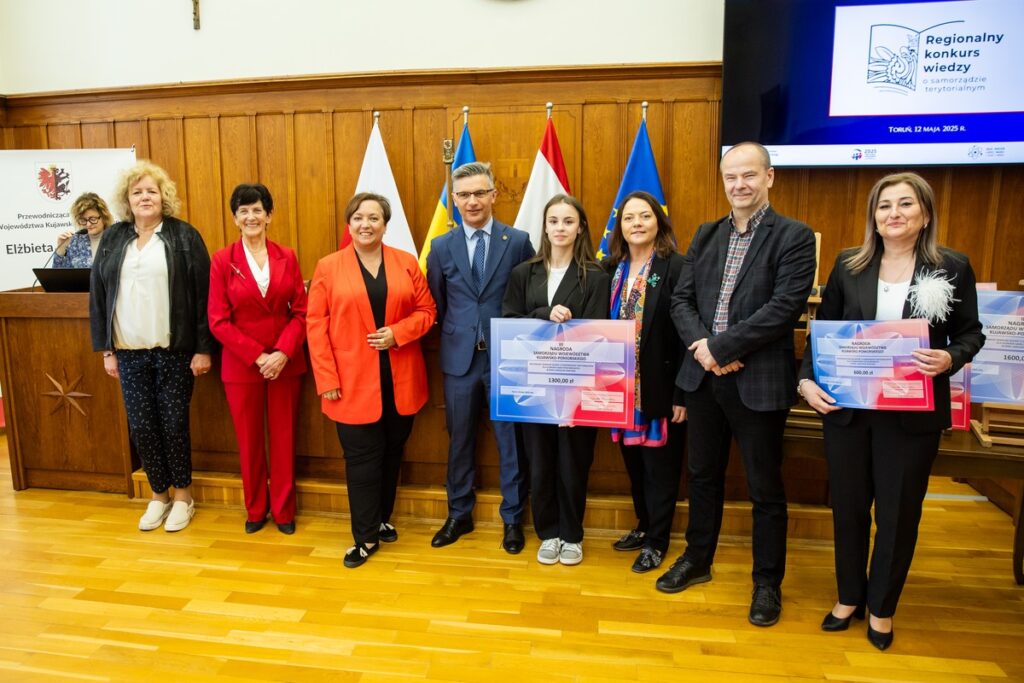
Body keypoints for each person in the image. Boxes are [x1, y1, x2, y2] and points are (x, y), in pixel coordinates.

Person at [799, 172, 984, 650]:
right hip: (850, 411)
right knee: (849, 509)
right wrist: (805, 380)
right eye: (884, 206)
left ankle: (882, 607)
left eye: (905, 204)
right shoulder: (848, 265)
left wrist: (950, 357)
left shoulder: (952, 267)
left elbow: (971, 333)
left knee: (899, 514)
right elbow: (824, 333)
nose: (894, 214)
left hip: (911, 415)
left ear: (924, 215)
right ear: (873, 217)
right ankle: (848, 597)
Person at [663, 142, 817, 627]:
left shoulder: (793, 237)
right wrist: (706, 349)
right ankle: (698, 560)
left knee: (764, 488)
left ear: (769, 177)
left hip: (759, 381)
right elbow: (680, 302)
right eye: (731, 177)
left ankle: (767, 584)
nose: (739, 185)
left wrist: (722, 348)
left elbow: (784, 308)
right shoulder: (706, 235)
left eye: (749, 175)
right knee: (702, 476)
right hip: (703, 379)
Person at [307, 192, 436, 568]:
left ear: (385, 223)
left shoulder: (406, 262)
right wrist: (326, 377)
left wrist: (399, 332)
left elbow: (427, 311)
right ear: (349, 224)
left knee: (392, 455)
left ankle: (381, 519)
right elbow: (315, 327)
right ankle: (363, 538)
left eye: (374, 218)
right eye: (359, 217)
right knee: (361, 462)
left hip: (401, 382)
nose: (366, 224)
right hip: (348, 384)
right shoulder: (328, 267)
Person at [90, 160, 214, 532]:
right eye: (137, 192)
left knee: (174, 424)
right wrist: (107, 350)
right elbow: (98, 295)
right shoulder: (113, 238)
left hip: (175, 351)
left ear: (164, 197)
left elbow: (204, 296)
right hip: (128, 352)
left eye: (152, 191)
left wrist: (203, 347)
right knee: (142, 427)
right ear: (127, 200)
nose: (145, 197)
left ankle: (183, 497)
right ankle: (158, 494)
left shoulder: (183, 236)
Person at [426, 161, 535, 554]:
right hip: (459, 360)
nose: (472, 201)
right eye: (464, 195)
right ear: (454, 201)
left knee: (511, 442)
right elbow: (437, 300)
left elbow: (528, 294)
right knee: (459, 441)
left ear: (493, 195)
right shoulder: (441, 247)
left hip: (508, 358)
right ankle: (459, 514)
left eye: (479, 193)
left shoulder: (518, 241)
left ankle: (513, 520)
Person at [502, 195, 610, 566]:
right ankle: (548, 532)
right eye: (553, 221)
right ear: (544, 226)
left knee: (573, 463)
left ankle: (572, 535)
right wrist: (543, 313)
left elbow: (599, 336)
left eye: (568, 221)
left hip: (578, 390)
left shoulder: (596, 275)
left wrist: (576, 398)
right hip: (533, 388)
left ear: (580, 227)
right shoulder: (523, 273)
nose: (560, 228)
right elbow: (508, 322)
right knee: (541, 462)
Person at [208, 184, 307, 535]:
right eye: (243, 211)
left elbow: (301, 312)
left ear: (269, 215)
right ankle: (255, 509)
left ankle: (284, 512)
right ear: (235, 218)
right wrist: (258, 356)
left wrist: (281, 353)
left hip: (286, 363)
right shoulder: (222, 260)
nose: (251, 216)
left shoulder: (288, 256)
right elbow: (217, 320)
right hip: (242, 366)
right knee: (249, 442)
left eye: (257, 210)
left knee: (283, 439)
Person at [603, 191, 687, 575]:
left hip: (659, 386)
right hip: (619, 390)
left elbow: (689, 334)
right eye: (629, 218)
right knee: (634, 466)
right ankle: (643, 525)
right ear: (619, 227)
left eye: (645, 216)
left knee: (660, 470)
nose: (636, 223)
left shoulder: (677, 267)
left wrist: (682, 392)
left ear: (658, 222)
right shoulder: (610, 269)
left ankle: (658, 540)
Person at [54, 192, 113, 268]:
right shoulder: (75, 241)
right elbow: (59, 277)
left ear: (104, 217)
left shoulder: (116, 239)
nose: (88, 224)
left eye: (93, 219)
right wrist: (61, 249)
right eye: (83, 220)